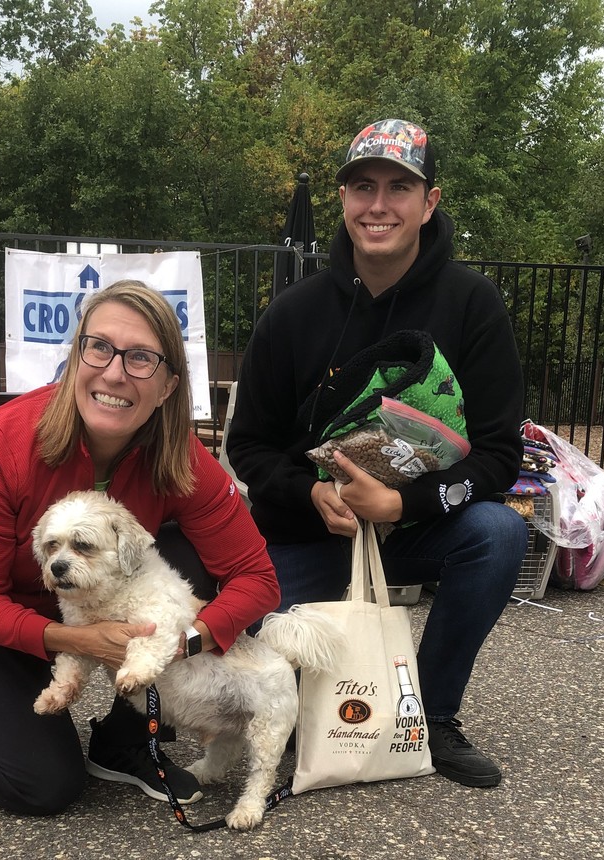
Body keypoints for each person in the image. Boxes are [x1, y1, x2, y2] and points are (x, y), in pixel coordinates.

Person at [0, 280, 280, 815]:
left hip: (70, 608)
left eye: (141, 358)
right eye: (99, 347)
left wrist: (188, 639)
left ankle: (124, 744)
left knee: (176, 563)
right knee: (43, 784)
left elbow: (256, 579)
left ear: (169, 386)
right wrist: (80, 640)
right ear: (75, 357)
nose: (114, 372)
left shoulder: (181, 458)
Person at [227, 118, 529, 789]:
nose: (379, 205)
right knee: (232, 621)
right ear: (343, 199)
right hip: (310, 529)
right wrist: (308, 492)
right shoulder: (293, 312)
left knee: (499, 534)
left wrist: (402, 501)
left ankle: (429, 716)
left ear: (430, 202)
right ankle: (305, 712)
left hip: (416, 527)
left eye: (400, 187)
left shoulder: (473, 305)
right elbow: (247, 444)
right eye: (363, 186)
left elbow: (500, 454)